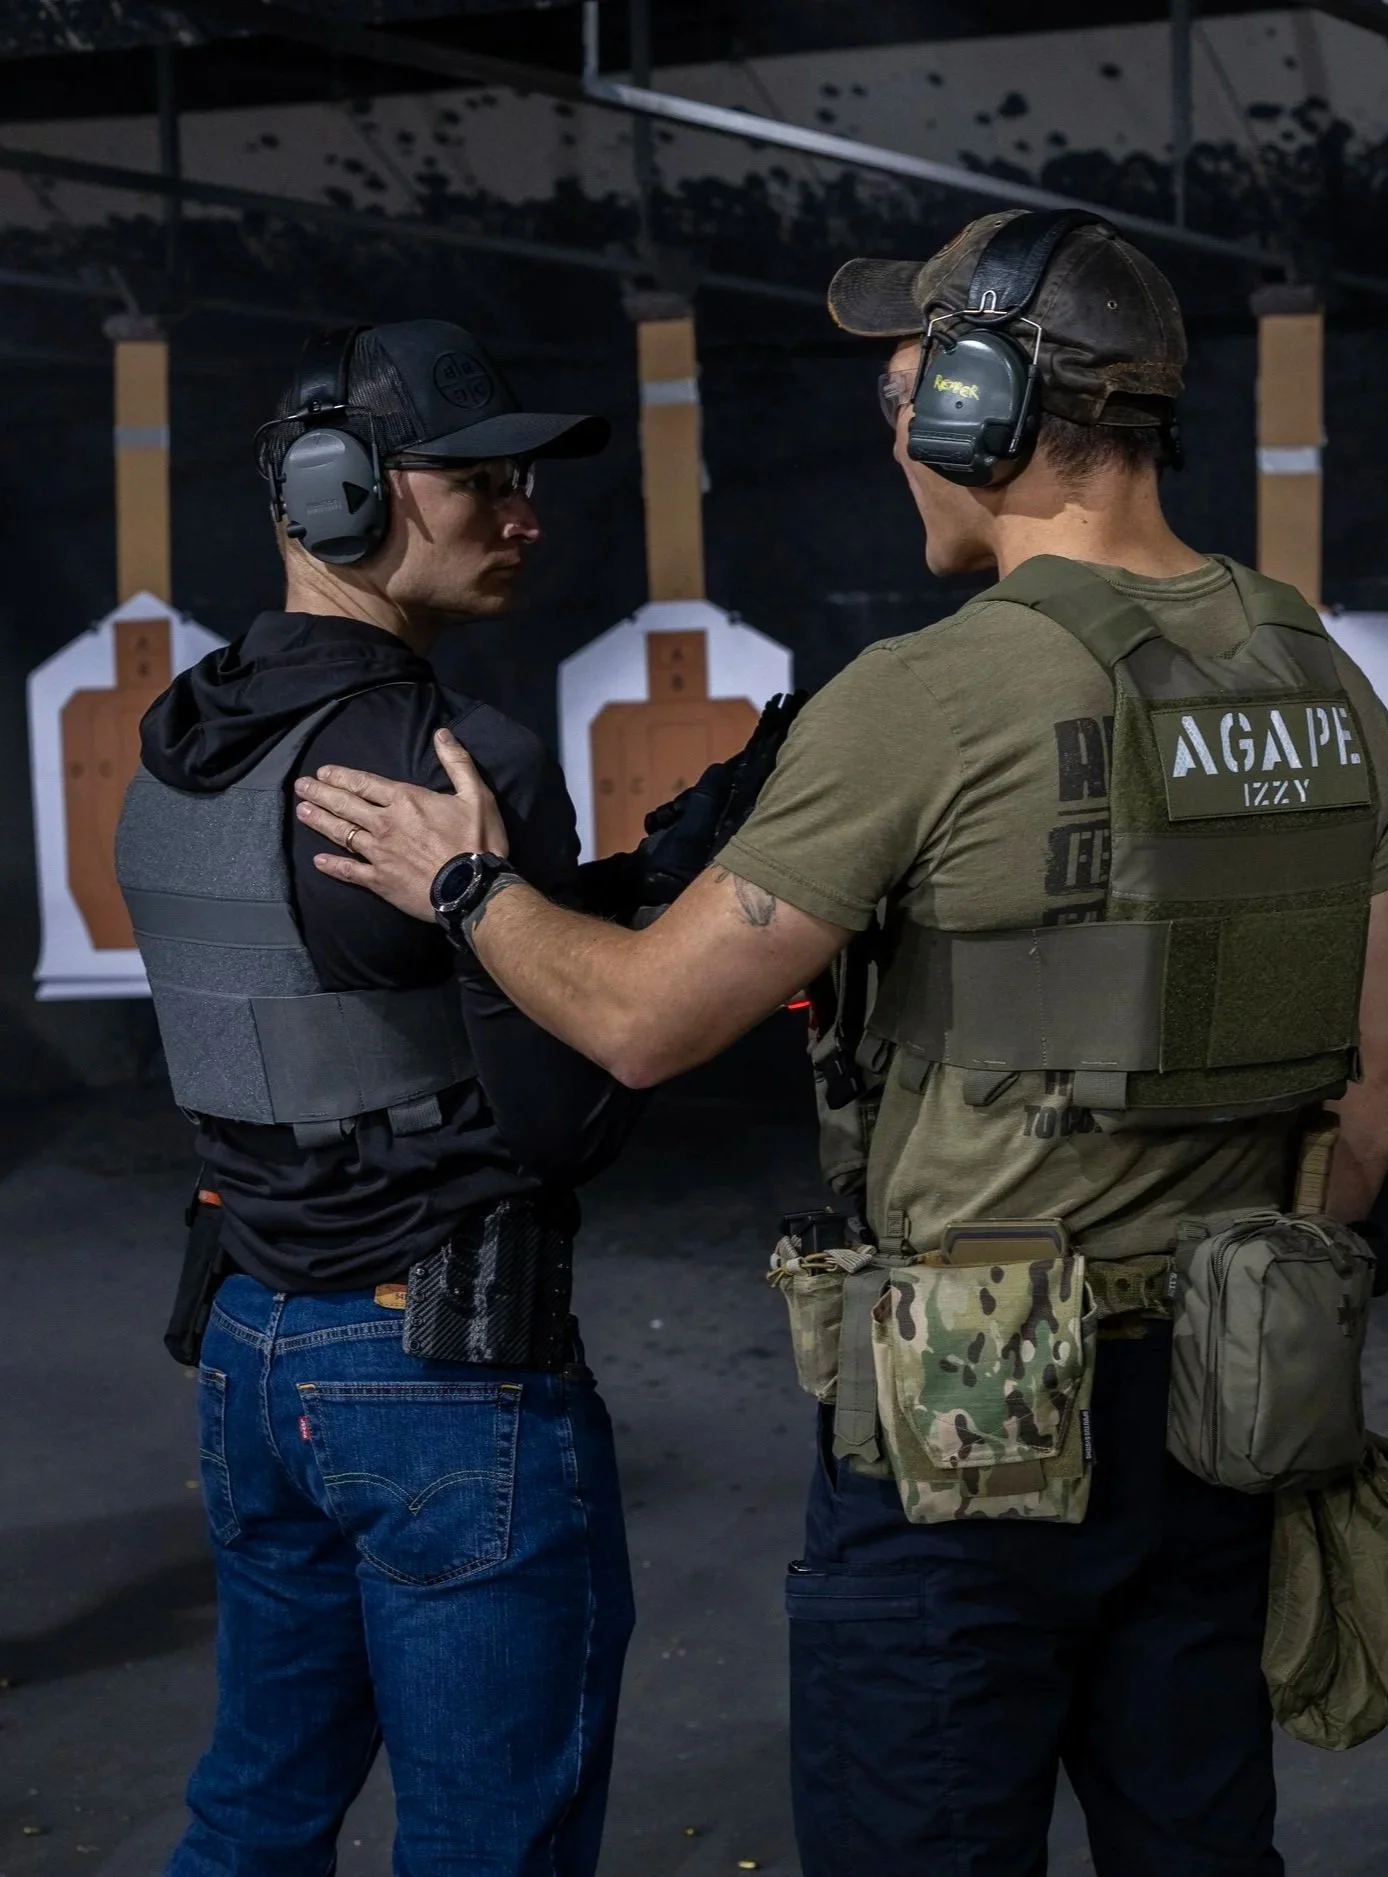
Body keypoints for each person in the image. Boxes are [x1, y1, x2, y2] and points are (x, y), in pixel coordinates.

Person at [291, 217, 1388, 1876]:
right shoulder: (1321, 677)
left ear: (982, 407)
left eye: (907, 394)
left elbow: (643, 1022)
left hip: (974, 1412)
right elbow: (1374, 1076)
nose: (894, 438)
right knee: (1195, 1841)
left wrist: (459, 884)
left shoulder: (935, 694)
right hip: (1235, 1382)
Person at [116, 320, 655, 1877]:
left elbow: (330, 969)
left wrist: (607, 885)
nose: (522, 514)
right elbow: (575, 1118)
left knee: (256, 1813)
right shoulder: (453, 766)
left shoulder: (181, 745)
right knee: (493, 1842)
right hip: (437, 1372)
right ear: (341, 491)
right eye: (479, 479)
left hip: (250, 1344)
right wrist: (548, 915)